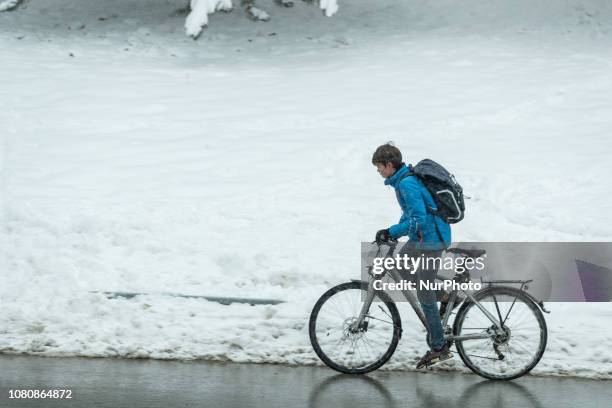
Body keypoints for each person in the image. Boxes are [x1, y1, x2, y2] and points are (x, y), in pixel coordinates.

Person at [372, 143, 453, 369]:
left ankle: (439, 348)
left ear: (389, 165)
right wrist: (394, 232)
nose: (378, 171)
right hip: (422, 239)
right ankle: (444, 296)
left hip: (431, 240)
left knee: (424, 293)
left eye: (379, 167)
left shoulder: (407, 183)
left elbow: (419, 219)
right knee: (402, 268)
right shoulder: (404, 181)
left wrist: (392, 231)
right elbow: (409, 214)